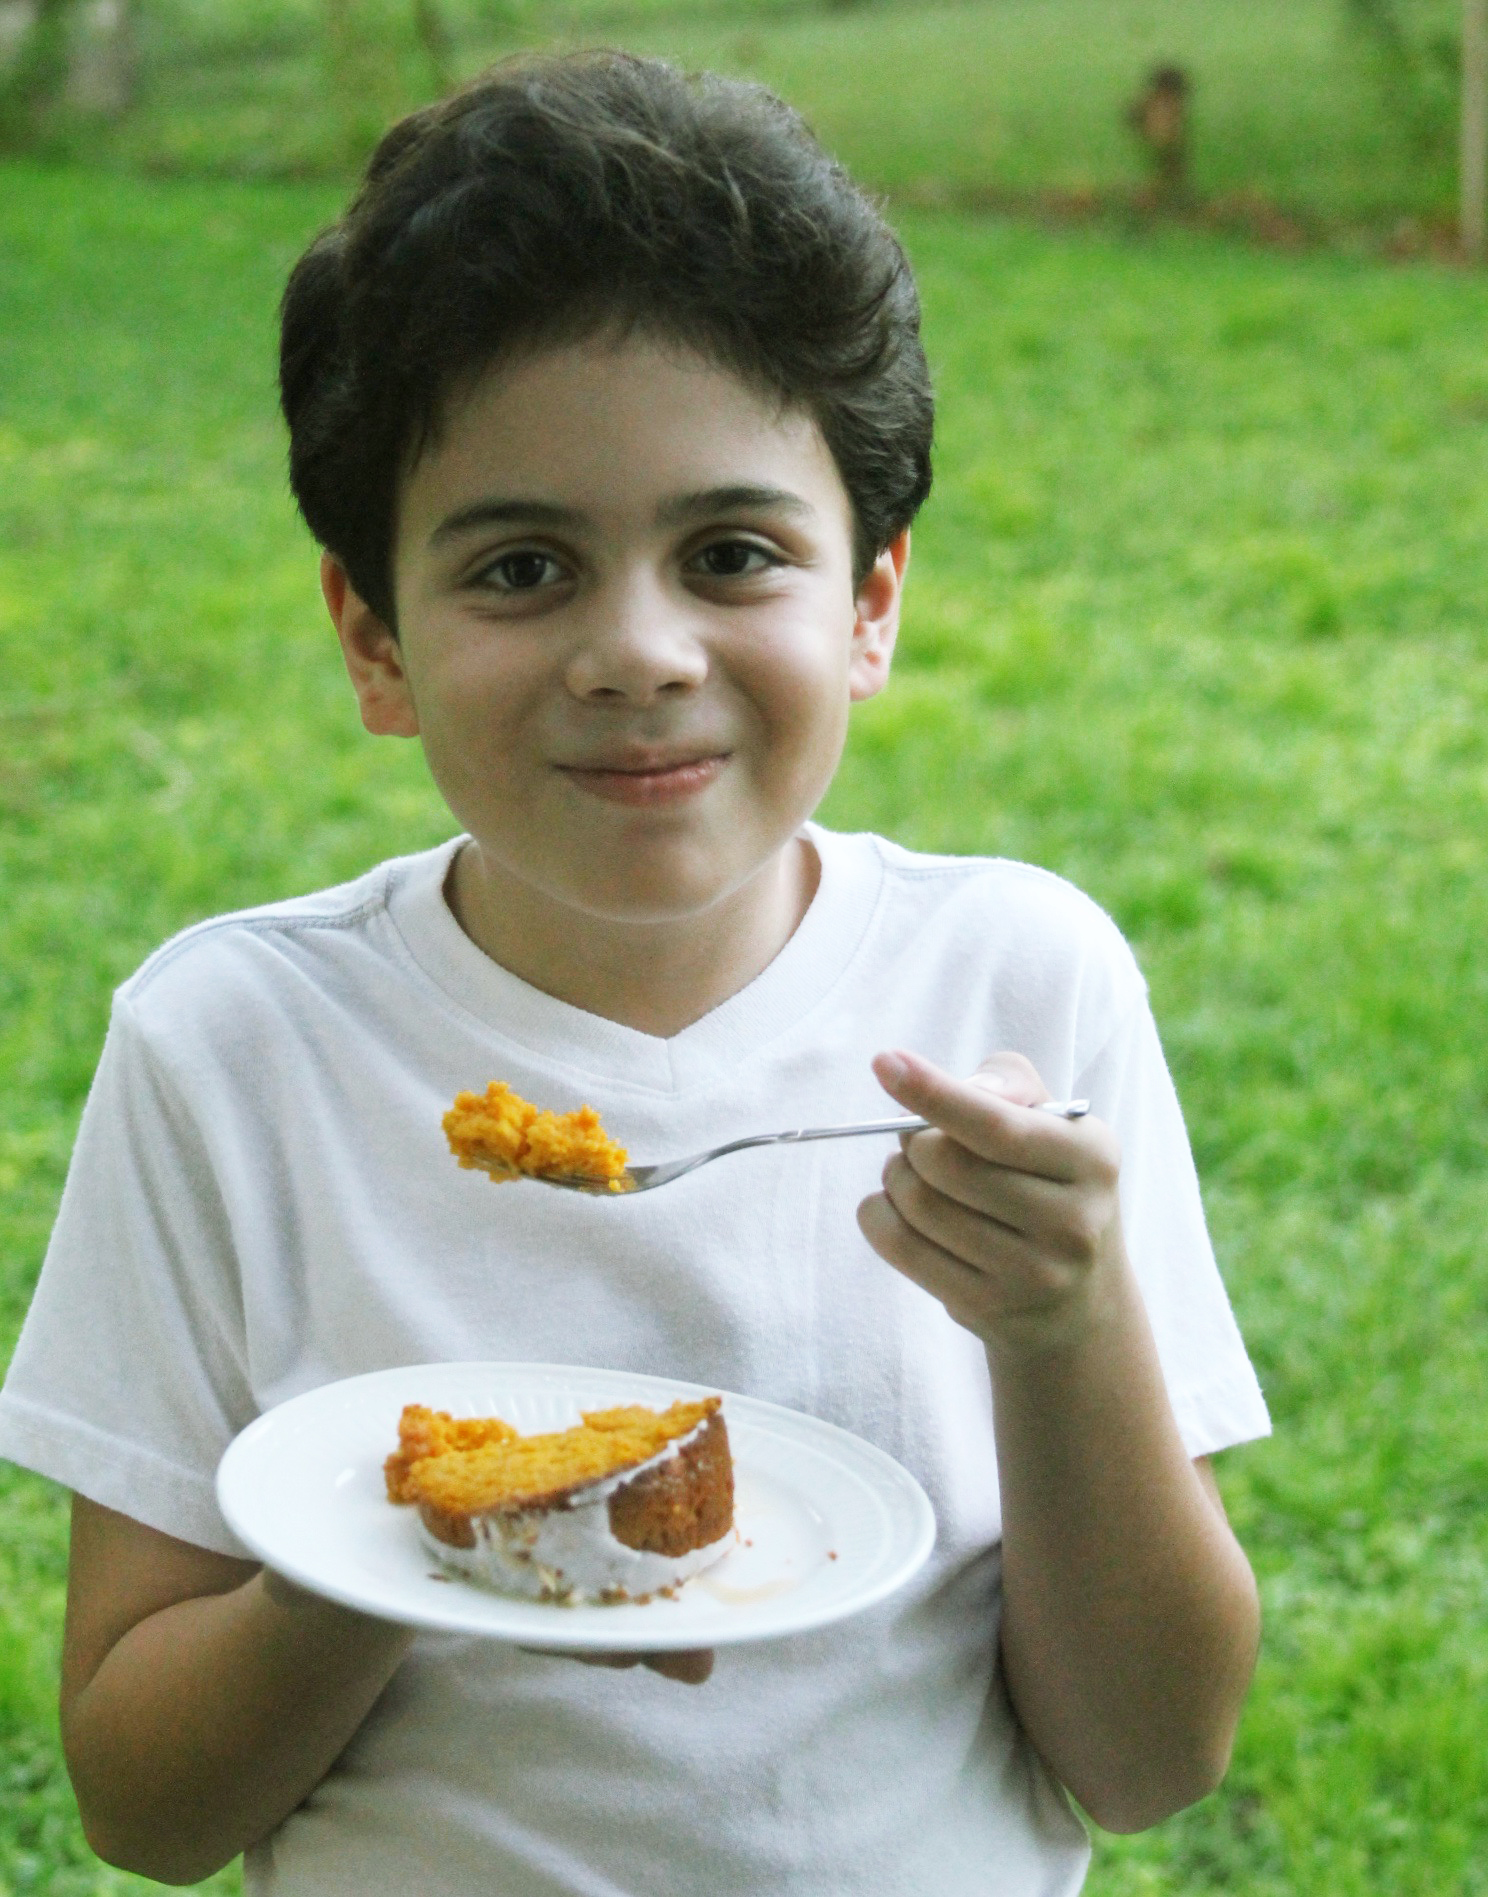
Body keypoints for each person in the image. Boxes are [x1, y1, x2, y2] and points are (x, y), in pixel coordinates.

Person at [0, 50, 1269, 1895]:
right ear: (373, 640)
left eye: (733, 551)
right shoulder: (236, 1050)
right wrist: (422, 1537)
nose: (640, 650)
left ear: (873, 600)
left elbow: (1150, 1759)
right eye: (522, 568)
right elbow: (146, 1804)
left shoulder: (1017, 989)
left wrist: (1060, 1328)